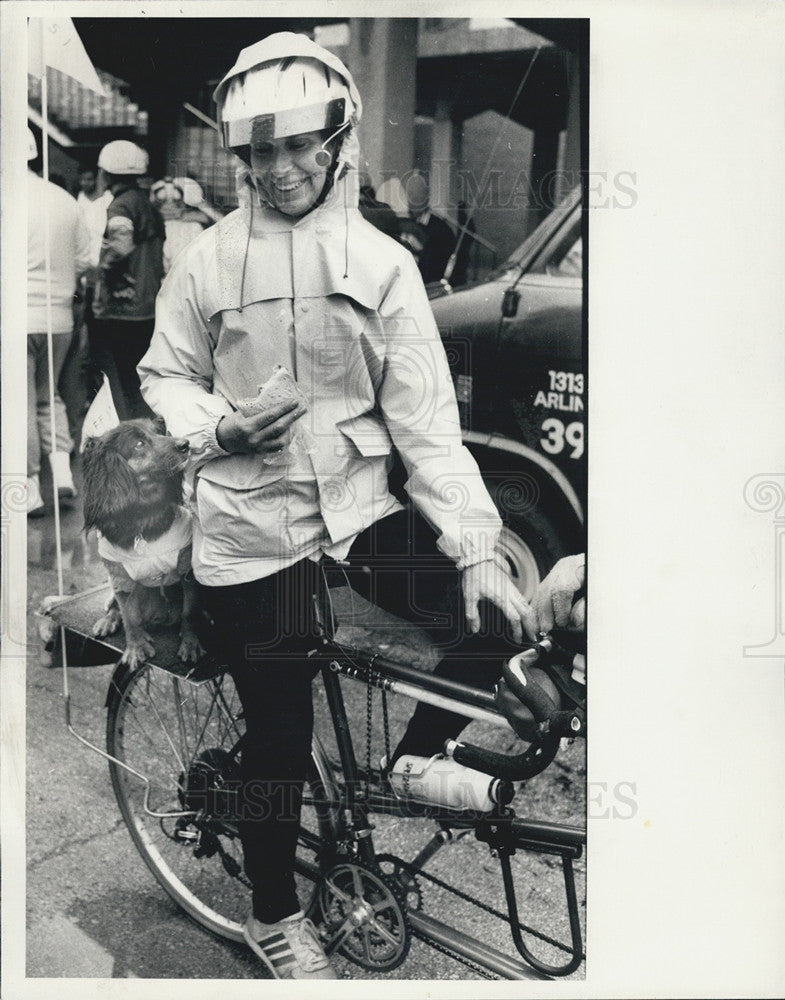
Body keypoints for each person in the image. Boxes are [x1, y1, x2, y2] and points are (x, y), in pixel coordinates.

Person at [138, 33, 534, 980]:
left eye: (292, 147)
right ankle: (274, 916)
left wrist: (478, 545)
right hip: (254, 530)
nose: (275, 171)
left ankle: (408, 763)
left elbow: (427, 426)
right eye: (254, 154)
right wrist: (219, 430)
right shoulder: (206, 259)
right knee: (279, 742)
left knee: (493, 626)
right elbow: (164, 374)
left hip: (356, 515)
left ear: (337, 139)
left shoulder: (387, 264)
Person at [26, 127, 91, 516]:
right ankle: (63, 476)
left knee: (19, 405)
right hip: (59, 318)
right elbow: (85, 259)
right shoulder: (65, 199)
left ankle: (31, 489)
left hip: (16, 318)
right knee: (49, 397)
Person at [91, 140, 164, 420]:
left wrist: (102, 270)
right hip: (148, 305)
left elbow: (120, 244)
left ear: (106, 173)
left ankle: (135, 433)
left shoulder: (120, 206)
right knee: (142, 378)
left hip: (123, 310)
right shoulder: (147, 204)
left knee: (124, 381)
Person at [150, 176, 213, 275]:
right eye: (162, 202)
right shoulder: (157, 226)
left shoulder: (193, 227)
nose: (169, 206)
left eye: (176, 201)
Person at [404, 170, 457, 285]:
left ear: (426, 197)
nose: (413, 200)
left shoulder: (442, 230)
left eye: (418, 195)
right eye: (411, 195)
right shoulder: (404, 224)